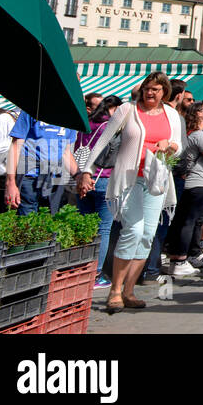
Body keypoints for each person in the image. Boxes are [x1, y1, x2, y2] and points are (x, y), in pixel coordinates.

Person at [75, 71, 184, 313]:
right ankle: (115, 290)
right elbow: (103, 139)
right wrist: (87, 170)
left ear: (164, 92)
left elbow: (178, 146)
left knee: (147, 234)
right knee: (132, 231)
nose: (150, 92)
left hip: (156, 181)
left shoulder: (172, 115)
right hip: (128, 180)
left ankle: (129, 290)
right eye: (147, 88)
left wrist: (169, 146)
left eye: (155, 89)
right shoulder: (128, 110)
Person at [163, 99, 203, 277]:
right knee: (189, 221)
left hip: (189, 181)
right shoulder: (199, 135)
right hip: (197, 182)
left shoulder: (188, 133)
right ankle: (179, 259)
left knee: (187, 221)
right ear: (198, 114)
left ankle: (181, 257)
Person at [75, 95, 121, 287]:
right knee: (102, 230)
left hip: (82, 179)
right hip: (103, 178)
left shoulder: (87, 124)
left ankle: (81, 269)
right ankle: (96, 274)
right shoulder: (110, 127)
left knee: (85, 228)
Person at [6, 104, 79, 216]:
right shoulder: (31, 111)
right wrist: (10, 182)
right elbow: (16, 147)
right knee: (28, 222)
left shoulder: (70, 117)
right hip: (30, 176)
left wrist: (79, 176)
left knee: (52, 222)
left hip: (54, 178)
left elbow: (66, 152)